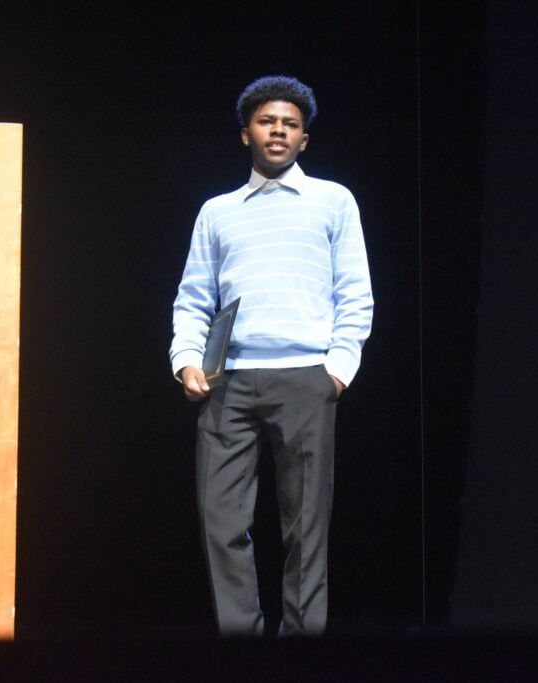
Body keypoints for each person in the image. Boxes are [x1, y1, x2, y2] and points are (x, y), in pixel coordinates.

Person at [169, 75, 373, 636]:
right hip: (227, 380)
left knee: (306, 527)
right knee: (221, 521)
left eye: (290, 124)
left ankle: (302, 648)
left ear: (303, 139)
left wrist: (337, 370)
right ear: (246, 134)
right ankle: (243, 644)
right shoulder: (218, 211)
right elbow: (193, 297)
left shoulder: (333, 201)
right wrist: (187, 359)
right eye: (267, 121)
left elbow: (355, 292)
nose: (278, 130)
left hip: (306, 377)